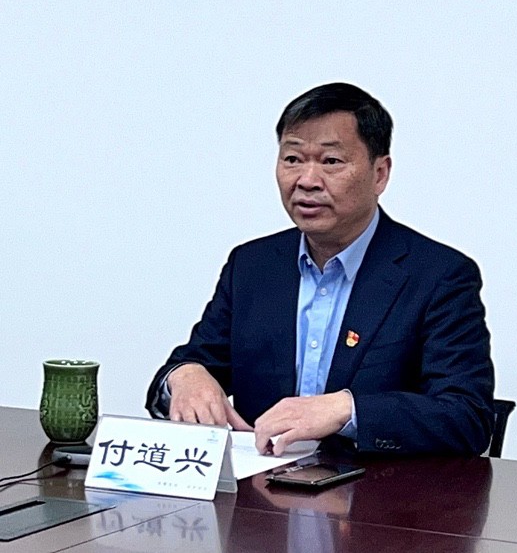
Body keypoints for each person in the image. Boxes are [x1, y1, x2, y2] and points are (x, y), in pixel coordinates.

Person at [146, 82, 494, 456]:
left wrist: (348, 409)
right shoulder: (252, 266)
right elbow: (196, 364)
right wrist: (185, 375)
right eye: (292, 159)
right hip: (263, 489)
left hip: (377, 489)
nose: (307, 181)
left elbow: (466, 416)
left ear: (379, 173)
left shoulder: (439, 275)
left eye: (331, 162)